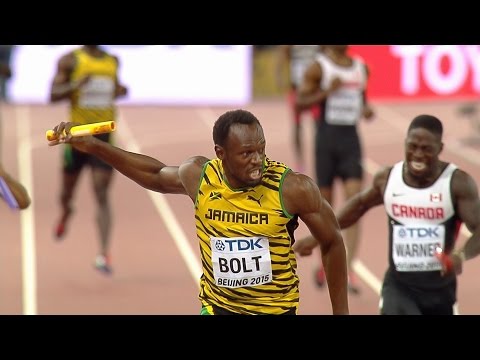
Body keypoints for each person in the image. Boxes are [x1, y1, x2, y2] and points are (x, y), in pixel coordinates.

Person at [47, 109, 349, 315]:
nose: (257, 160)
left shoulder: (292, 188)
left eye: (261, 149)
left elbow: (333, 241)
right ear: (221, 153)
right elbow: (153, 174)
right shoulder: (200, 176)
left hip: (274, 310)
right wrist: (97, 148)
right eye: (246, 153)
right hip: (217, 307)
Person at [294, 114, 480, 315]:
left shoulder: (456, 183)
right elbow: (357, 207)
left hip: (440, 291)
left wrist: (460, 256)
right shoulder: (389, 179)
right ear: (405, 143)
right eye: (412, 146)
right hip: (399, 287)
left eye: (426, 149)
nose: (417, 154)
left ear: (440, 149)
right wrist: (316, 238)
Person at [296, 45, 375, 294]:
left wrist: (366, 110)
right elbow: (300, 103)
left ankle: (348, 268)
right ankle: (324, 263)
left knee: (356, 202)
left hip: (351, 141)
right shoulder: (319, 67)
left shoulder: (361, 68)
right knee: (325, 210)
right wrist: (327, 91)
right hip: (326, 142)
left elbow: (363, 102)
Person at [49, 45, 128, 274]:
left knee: (102, 192)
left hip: (103, 137)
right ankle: (66, 210)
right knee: (66, 193)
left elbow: (116, 91)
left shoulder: (112, 61)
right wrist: (76, 85)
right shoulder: (70, 60)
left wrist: (120, 90)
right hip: (75, 138)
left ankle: (103, 253)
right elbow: (52, 94)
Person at [275, 45, 323, 173]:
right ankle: (299, 161)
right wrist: (279, 76)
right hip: (296, 88)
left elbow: (325, 53)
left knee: (319, 125)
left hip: (314, 89)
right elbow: (282, 55)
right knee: (297, 125)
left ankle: (320, 156)